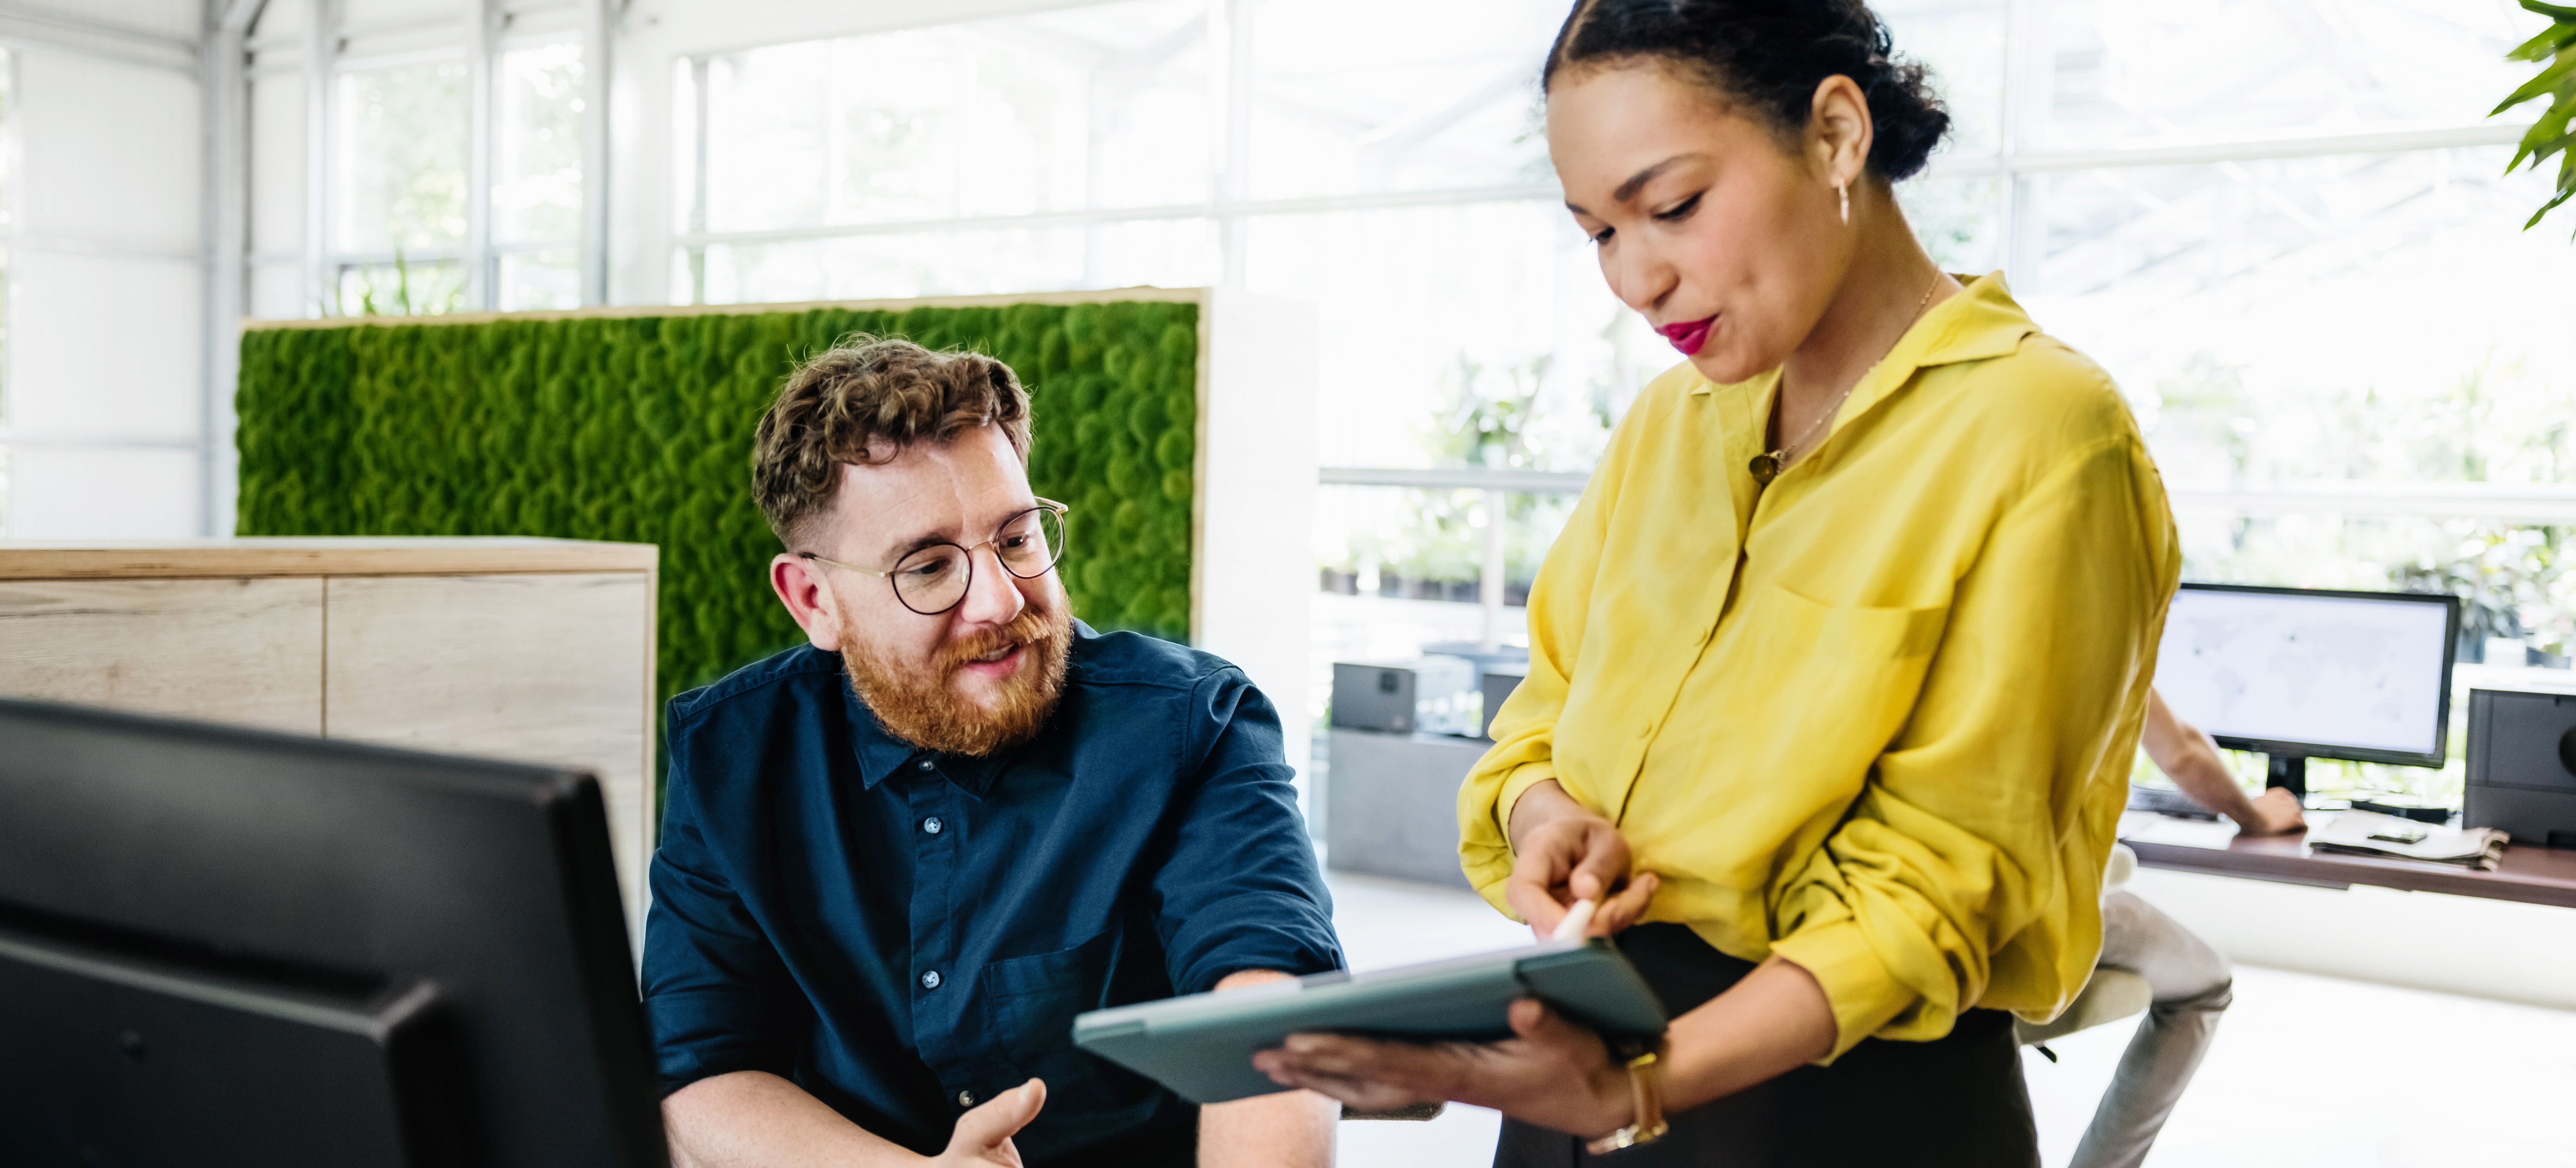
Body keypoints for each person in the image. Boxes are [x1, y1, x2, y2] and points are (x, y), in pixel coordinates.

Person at [1252, 2, 2181, 1164]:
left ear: (1837, 134)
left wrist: (1639, 1087)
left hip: (1847, 1105)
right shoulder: (1668, 426)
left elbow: (1943, 887)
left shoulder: (2044, 433)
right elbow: (1537, 722)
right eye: (1597, 231)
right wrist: (1546, 816)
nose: (1635, 277)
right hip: (1581, 1067)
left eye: (1673, 206)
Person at [644, 337, 1343, 1168]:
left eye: (1016, 539)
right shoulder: (734, 751)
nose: (1001, 600)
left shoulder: (1193, 720)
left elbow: (1270, 1007)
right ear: (815, 600)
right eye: (929, 567)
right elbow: (703, 1064)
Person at [2051, 691, 2299, 1168]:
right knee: (2208, 982)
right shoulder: (2093, 618)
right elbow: (2181, 751)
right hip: (2039, 905)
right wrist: (2256, 813)